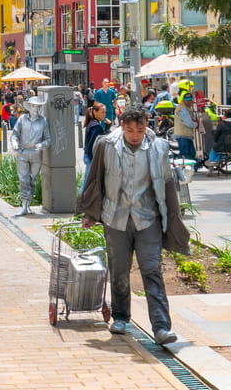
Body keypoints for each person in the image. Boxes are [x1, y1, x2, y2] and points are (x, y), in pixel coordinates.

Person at [77, 106, 185, 346]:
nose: (135, 135)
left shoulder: (158, 148)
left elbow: (167, 184)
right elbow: (95, 179)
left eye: (140, 129)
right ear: (121, 126)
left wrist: (174, 217)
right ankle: (121, 317)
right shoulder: (106, 145)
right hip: (116, 218)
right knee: (119, 271)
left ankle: (161, 327)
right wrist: (91, 213)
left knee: (151, 270)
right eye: (129, 130)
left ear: (147, 125)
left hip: (147, 218)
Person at [12, 95, 51, 216]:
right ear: (29, 107)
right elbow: (15, 134)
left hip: (36, 154)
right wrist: (15, 143)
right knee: (23, 179)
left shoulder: (43, 121)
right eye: (33, 106)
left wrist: (41, 145)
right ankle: (24, 205)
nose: (36, 109)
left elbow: (48, 139)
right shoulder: (22, 119)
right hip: (23, 152)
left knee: (33, 179)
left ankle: (28, 204)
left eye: (38, 107)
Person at [82, 102, 109, 167]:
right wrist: (94, 161)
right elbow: (92, 145)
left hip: (88, 156)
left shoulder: (92, 124)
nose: (104, 114)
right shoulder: (96, 127)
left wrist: (107, 126)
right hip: (91, 158)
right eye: (102, 112)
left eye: (105, 112)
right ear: (95, 112)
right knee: (90, 177)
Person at [173, 96, 198, 161]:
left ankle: (186, 169)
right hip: (183, 135)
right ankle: (183, 169)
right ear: (184, 101)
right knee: (185, 155)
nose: (191, 102)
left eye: (191, 100)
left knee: (190, 154)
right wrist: (197, 124)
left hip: (185, 135)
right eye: (189, 101)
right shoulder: (183, 109)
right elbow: (189, 123)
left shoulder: (185, 107)